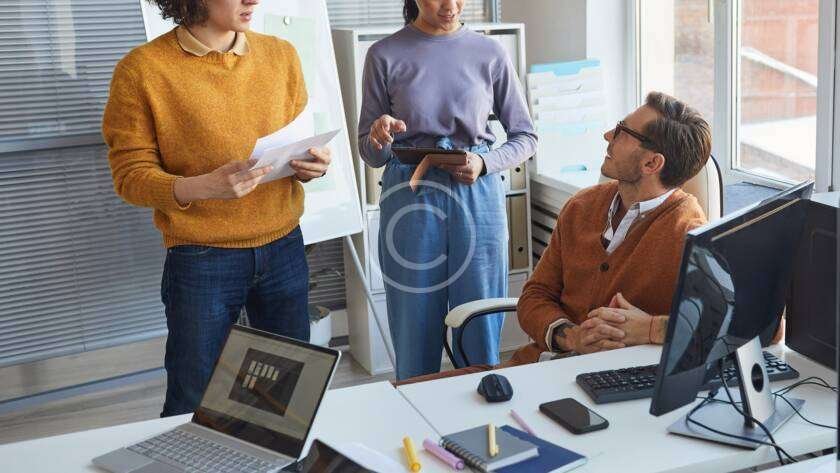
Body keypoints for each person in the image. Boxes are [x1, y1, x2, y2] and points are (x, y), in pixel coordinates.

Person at [102, 0, 331, 416]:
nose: (252, 0)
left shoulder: (281, 54)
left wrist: (310, 167)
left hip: (284, 246)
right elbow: (129, 177)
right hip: (201, 257)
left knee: (286, 392)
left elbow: (296, 146)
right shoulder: (141, 70)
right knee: (193, 397)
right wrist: (203, 186)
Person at [399, 92, 716, 384]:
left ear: (651, 163)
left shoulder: (687, 231)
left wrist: (650, 329)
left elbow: (729, 328)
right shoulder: (583, 205)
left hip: (606, 387)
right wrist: (571, 336)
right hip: (534, 371)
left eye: (622, 131)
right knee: (397, 397)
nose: (608, 135)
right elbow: (535, 295)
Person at [358, 0, 538, 381]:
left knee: (479, 326)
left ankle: (482, 403)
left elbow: (526, 137)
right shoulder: (383, 55)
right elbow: (371, 154)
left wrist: (485, 163)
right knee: (414, 328)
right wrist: (379, 137)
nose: (451, 5)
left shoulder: (490, 53)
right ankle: (415, 405)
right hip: (410, 195)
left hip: (477, 196)